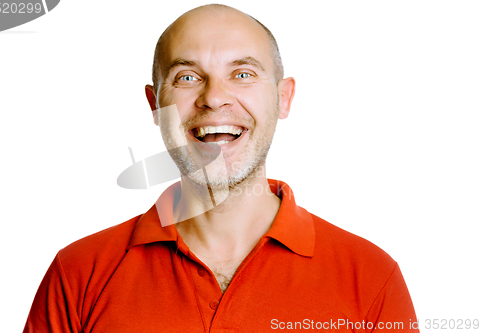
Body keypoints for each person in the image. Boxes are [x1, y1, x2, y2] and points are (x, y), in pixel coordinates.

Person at [23, 4, 419, 332]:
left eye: (242, 74)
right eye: (188, 77)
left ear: (283, 98)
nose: (214, 98)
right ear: (155, 106)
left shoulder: (370, 279)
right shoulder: (77, 275)